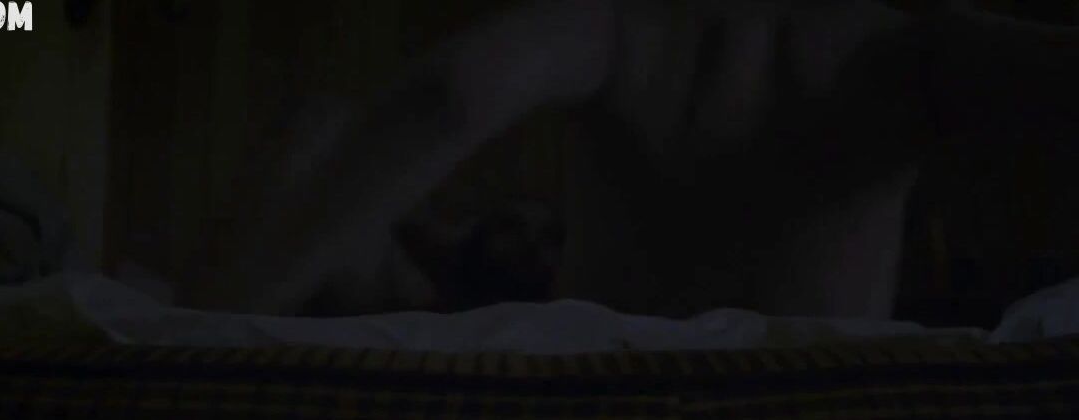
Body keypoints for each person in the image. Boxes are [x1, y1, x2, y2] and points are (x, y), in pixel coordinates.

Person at [192, 0, 1079, 319]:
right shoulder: (901, 49)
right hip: (811, 385)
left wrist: (213, 328)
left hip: (606, 378)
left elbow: (451, 94)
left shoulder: (625, 26)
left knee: (317, 130)